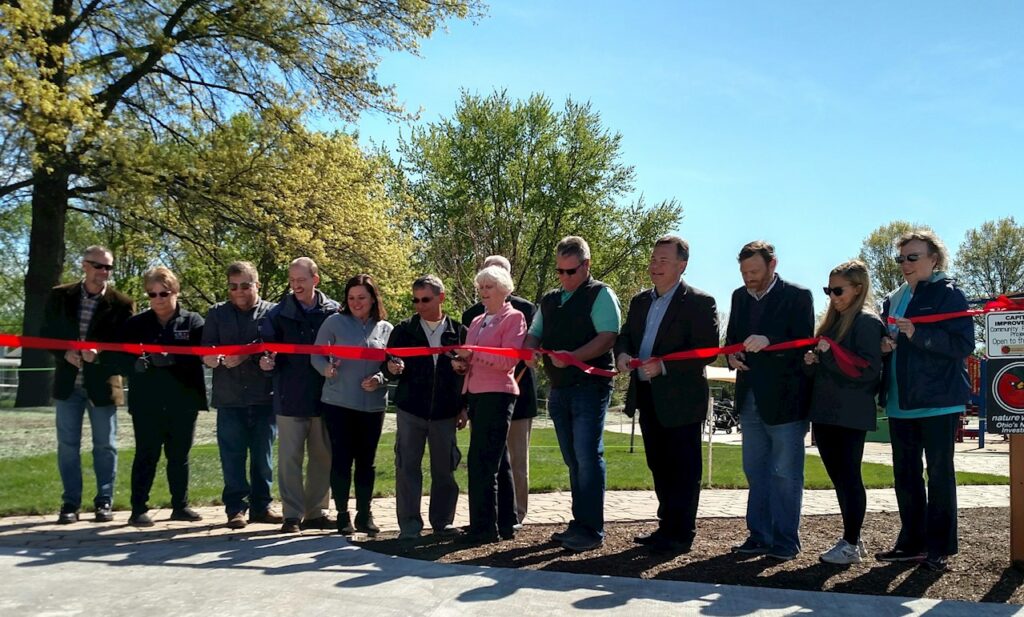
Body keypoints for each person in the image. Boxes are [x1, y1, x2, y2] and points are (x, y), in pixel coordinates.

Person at [876, 230, 973, 572]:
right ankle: (911, 543)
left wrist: (919, 334)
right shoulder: (893, 298)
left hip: (939, 401)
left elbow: (963, 345)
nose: (905, 264)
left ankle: (940, 547)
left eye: (912, 257)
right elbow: (888, 341)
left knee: (940, 474)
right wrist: (885, 347)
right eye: (901, 258)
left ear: (934, 259)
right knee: (905, 475)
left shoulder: (950, 295)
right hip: (900, 402)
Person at [615, 236, 719, 555]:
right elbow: (626, 337)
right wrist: (622, 354)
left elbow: (708, 351)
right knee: (658, 464)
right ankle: (665, 527)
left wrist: (665, 368)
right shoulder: (640, 301)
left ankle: (681, 533)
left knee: (683, 469)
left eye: (663, 260)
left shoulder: (700, 302)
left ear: (681, 265)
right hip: (646, 395)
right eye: (653, 260)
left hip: (681, 400)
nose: (655, 266)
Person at [524, 236, 620, 552]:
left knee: (587, 456)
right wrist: (530, 351)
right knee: (572, 458)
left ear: (586, 265)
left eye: (571, 271)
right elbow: (534, 333)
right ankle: (580, 522)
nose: (564, 278)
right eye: (559, 271)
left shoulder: (600, 295)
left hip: (590, 388)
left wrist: (574, 356)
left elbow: (608, 337)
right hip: (560, 389)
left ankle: (591, 529)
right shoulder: (550, 300)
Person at [726, 240, 813, 561]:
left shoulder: (798, 296)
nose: (749, 278)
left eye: (755, 271)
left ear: (772, 264)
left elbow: (805, 343)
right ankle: (758, 536)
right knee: (755, 470)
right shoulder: (738, 297)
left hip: (786, 402)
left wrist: (770, 341)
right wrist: (732, 355)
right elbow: (731, 338)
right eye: (744, 272)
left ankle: (786, 540)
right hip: (749, 398)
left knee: (786, 473)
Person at [41, 246, 135, 524]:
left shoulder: (122, 303)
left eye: (108, 267)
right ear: (84, 265)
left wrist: (100, 355)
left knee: (105, 445)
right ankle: (70, 502)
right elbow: (46, 333)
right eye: (98, 266)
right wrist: (64, 354)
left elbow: (125, 350)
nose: (103, 272)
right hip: (68, 385)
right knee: (68, 446)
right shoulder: (60, 296)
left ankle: (103, 501)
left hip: (102, 386)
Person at [803, 260, 884, 564]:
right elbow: (822, 370)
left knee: (849, 476)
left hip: (849, 413)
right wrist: (810, 362)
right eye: (828, 290)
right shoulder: (832, 322)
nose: (832, 296)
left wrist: (827, 359)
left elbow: (867, 372)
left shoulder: (866, 322)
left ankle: (851, 542)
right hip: (825, 412)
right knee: (840, 477)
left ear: (858, 289)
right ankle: (853, 539)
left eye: (838, 290)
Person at [116, 267, 207, 527]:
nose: (158, 299)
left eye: (164, 293)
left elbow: (203, 355)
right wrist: (135, 365)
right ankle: (138, 509)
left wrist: (172, 359)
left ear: (176, 292)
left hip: (183, 401)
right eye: (152, 294)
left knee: (179, 456)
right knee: (147, 454)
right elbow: (118, 358)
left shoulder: (194, 322)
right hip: (147, 403)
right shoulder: (136, 324)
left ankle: (180, 506)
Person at [383, 275, 468, 540]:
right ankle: (409, 525)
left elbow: (469, 374)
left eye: (426, 299)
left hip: (445, 412)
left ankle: (442, 523)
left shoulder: (459, 331)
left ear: (441, 298)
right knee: (407, 467)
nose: (419, 305)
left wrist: (464, 407)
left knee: (444, 469)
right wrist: (391, 368)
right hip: (411, 410)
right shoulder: (403, 330)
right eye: (416, 300)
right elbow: (386, 366)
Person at [260, 257, 338, 533]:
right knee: (290, 459)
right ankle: (291, 515)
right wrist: (266, 361)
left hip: (325, 396)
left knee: (322, 457)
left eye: (301, 280)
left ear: (315, 280)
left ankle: (316, 512)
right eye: (292, 281)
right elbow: (266, 347)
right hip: (289, 396)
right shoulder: (277, 313)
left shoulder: (334, 311)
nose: (295, 285)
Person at [201, 261, 281, 529]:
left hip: (264, 397)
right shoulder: (216, 314)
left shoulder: (273, 313)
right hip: (229, 397)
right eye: (234, 287)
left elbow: (278, 348)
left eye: (246, 285)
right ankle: (235, 509)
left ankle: (262, 507)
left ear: (256, 285)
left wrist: (253, 356)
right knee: (232, 457)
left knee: (263, 457)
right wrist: (214, 359)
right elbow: (206, 351)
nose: (240, 292)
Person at [312, 274, 393, 536]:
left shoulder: (386, 328)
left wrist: (380, 379)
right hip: (338, 403)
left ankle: (364, 514)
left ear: (373, 298)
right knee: (342, 460)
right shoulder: (334, 322)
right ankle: (342, 514)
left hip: (372, 406)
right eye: (351, 298)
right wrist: (327, 370)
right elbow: (316, 355)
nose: (356, 302)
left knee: (366, 463)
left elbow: (392, 366)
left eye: (362, 297)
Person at [461, 255, 538, 526]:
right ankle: (504, 521)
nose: (483, 292)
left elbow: (508, 360)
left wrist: (475, 353)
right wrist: (461, 361)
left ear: (504, 289)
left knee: (484, 462)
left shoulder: (515, 317)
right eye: (481, 287)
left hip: (499, 393)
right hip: (477, 394)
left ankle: (484, 526)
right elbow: (471, 358)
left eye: (489, 287)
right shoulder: (476, 321)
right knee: (498, 460)